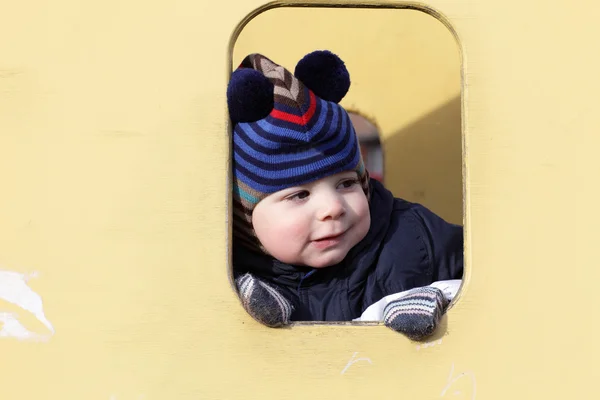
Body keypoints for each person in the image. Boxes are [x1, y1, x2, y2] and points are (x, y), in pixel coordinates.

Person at [228, 50, 463, 340]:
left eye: (346, 184)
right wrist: (238, 309)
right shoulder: (223, 270)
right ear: (245, 216)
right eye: (300, 195)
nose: (332, 208)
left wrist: (443, 294)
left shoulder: (413, 234)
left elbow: (494, 275)